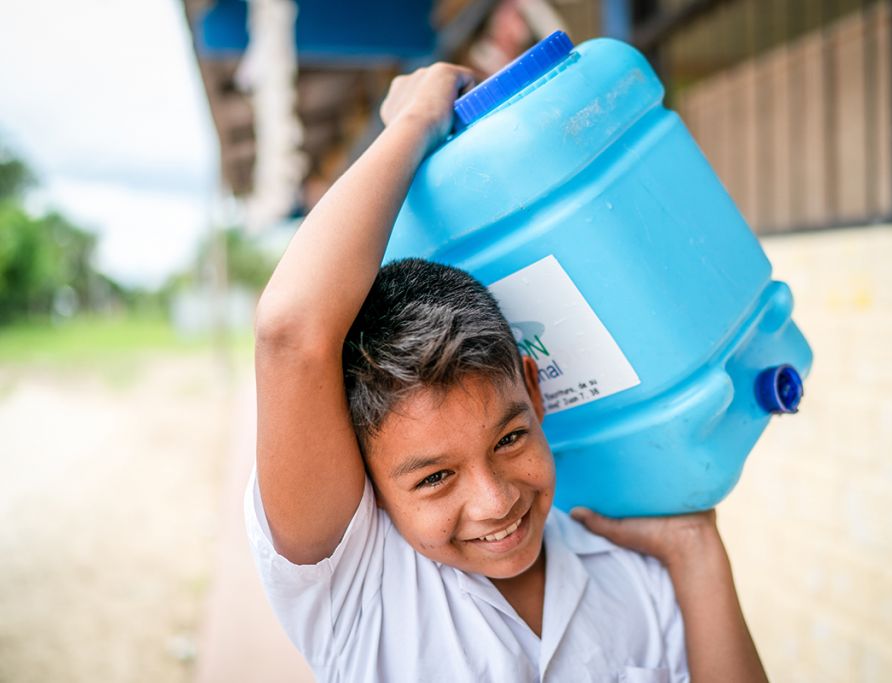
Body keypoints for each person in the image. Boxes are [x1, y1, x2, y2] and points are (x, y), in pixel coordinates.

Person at [246, 62, 769, 683]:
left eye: (510, 438)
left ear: (535, 389)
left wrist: (697, 550)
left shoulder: (631, 571)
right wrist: (415, 123)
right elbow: (290, 334)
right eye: (436, 477)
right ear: (364, 475)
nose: (497, 502)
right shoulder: (357, 583)